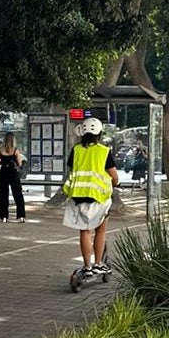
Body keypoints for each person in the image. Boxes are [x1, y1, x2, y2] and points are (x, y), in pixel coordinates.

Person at [63, 117, 120, 278]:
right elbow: (113, 175)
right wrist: (115, 183)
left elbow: (72, 169)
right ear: (99, 134)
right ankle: (98, 264)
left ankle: (87, 266)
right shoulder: (103, 151)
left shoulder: (76, 150)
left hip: (78, 196)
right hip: (99, 197)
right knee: (100, 230)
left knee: (84, 231)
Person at [0, 133, 27, 223]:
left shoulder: (0, 150)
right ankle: (21, 216)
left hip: (3, 172)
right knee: (18, 194)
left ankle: (4, 216)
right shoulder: (15, 150)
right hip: (13, 172)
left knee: (3, 194)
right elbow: (20, 163)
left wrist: (3, 162)